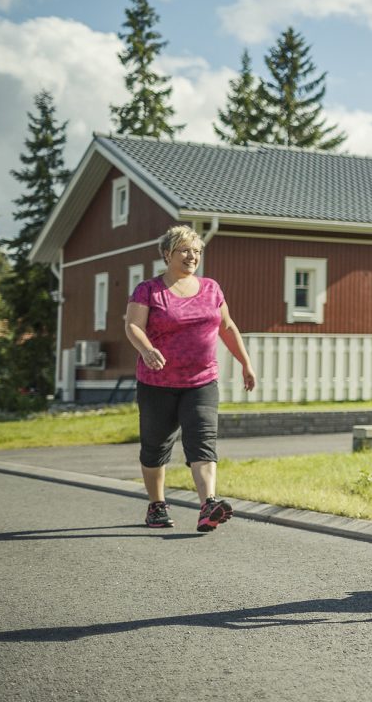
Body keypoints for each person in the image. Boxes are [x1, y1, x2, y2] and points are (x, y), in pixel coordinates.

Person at [124, 225, 256, 533]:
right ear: (167, 254)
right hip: (158, 382)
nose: (192, 256)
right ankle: (157, 505)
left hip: (202, 381)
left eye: (197, 251)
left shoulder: (211, 288)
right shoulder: (149, 290)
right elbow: (133, 326)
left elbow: (227, 328)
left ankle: (208, 504)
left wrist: (245, 364)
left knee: (203, 441)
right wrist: (147, 349)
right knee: (155, 447)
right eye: (185, 250)